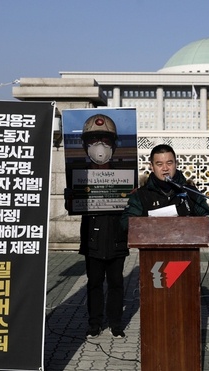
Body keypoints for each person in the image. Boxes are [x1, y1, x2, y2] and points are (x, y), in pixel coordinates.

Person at [65, 114, 129, 339]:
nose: (99, 147)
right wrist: (72, 196)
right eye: (93, 141)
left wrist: (132, 197)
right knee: (94, 284)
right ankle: (94, 323)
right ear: (84, 145)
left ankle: (116, 323)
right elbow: (72, 207)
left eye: (105, 140)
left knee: (116, 284)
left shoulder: (125, 176)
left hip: (117, 239)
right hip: (92, 240)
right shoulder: (79, 176)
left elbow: (134, 209)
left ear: (114, 144)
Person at [120, 143, 209, 231]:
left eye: (169, 163)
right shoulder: (141, 195)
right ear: (152, 167)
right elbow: (126, 224)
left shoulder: (190, 192)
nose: (165, 168)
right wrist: (153, 224)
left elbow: (208, 221)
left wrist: (184, 223)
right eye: (159, 164)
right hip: (152, 245)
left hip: (186, 245)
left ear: (176, 164)